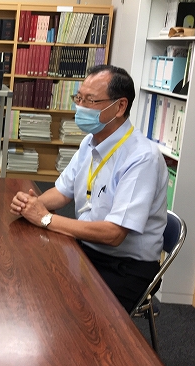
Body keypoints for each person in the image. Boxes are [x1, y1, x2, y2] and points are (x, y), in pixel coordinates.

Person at [10, 65, 167, 314]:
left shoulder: (142, 157)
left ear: (120, 106)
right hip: (85, 248)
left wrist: (45, 218)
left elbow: (114, 234)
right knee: (29, 282)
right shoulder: (90, 142)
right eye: (79, 98)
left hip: (124, 266)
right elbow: (62, 192)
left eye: (90, 100)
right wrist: (31, 204)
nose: (80, 107)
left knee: (72, 314)